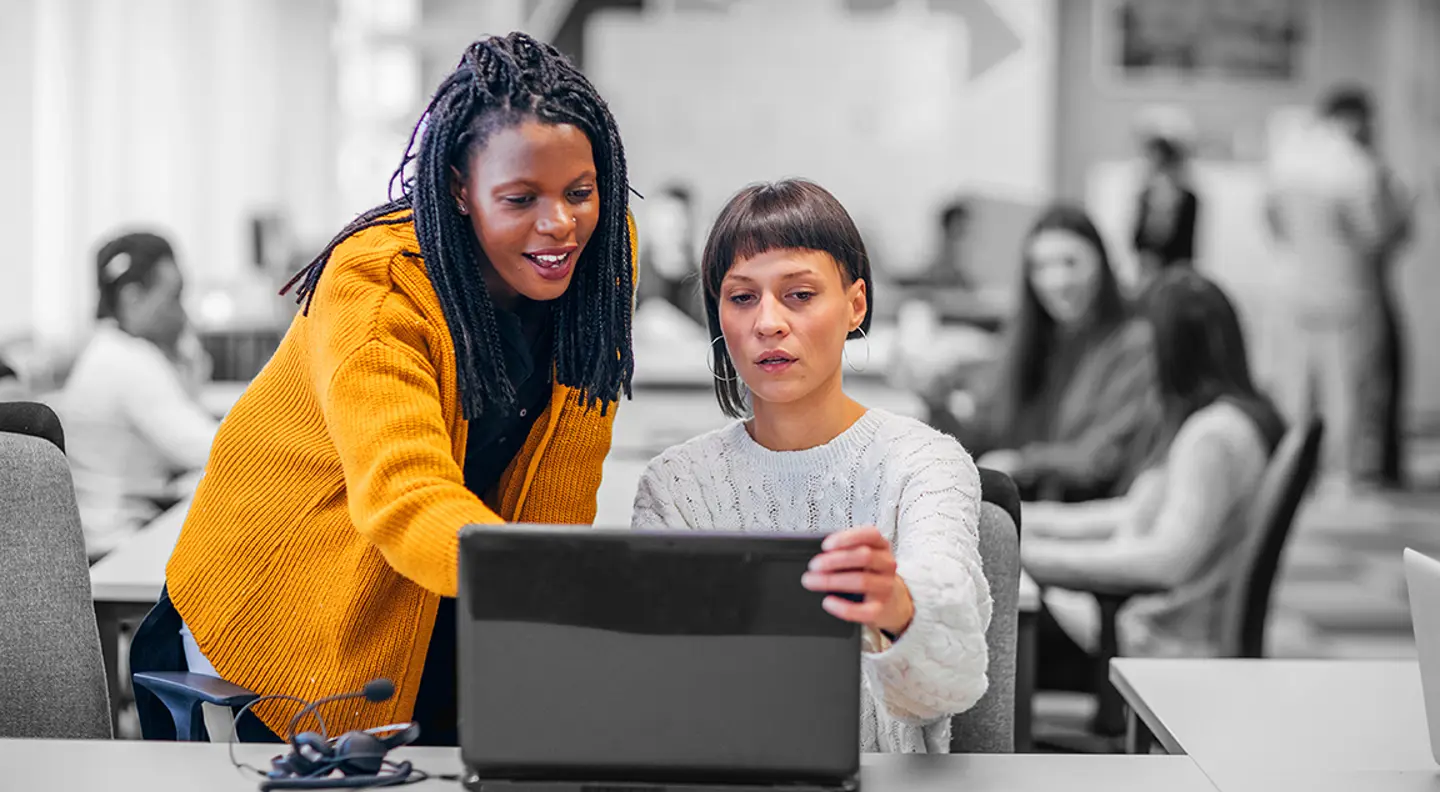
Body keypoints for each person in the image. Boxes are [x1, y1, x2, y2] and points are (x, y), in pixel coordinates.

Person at [129, 32, 638, 745]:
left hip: (443, 598)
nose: (560, 224)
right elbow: (406, 493)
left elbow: (561, 481)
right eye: (520, 197)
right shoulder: (376, 286)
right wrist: (546, 580)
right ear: (460, 187)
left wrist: (542, 635)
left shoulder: (598, 259)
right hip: (287, 615)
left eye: (580, 192)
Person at [631, 179, 991, 753]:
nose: (768, 323)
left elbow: (954, 678)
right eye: (742, 297)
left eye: (799, 295)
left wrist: (898, 604)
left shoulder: (924, 462)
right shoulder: (675, 486)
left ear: (856, 305)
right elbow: (659, 691)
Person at [1023, 270, 1287, 682]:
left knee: (982, 621)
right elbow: (1131, 514)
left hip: (1153, 641)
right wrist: (1022, 523)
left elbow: (1166, 562)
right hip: (1139, 623)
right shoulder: (1220, 419)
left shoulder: (1211, 437)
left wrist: (1034, 559)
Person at [946, 204, 1161, 502]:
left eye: (1070, 262)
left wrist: (1024, 463)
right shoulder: (1036, 335)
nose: (1057, 280)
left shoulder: (1133, 343)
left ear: (1101, 263)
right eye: (1041, 267)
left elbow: (1102, 458)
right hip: (1028, 500)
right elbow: (990, 418)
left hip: (1082, 511)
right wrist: (938, 398)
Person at [1264, 86, 1406, 493]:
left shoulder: (1289, 157)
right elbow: (1375, 235)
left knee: (1296, 389)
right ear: (1353, 118)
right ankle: (1337, 478)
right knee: (1344, 390)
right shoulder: (1356, 166)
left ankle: (1293, 474)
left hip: (1293, 292)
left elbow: (1271, 221)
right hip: (1344, 294)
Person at [57, 231, 219, 561]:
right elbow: (209, 448)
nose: (182, 312)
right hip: (119, 542)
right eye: (174, 296)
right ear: (133, 299)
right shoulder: (126, 364)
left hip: (125, 526)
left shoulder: (112, 349)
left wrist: (184, 357)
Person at [1132, 135, 1199, 286]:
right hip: (1148, 270)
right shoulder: (1146, 196)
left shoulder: (1187, 198)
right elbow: (1136, 237)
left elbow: (1187, 243)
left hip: (1177, 272)